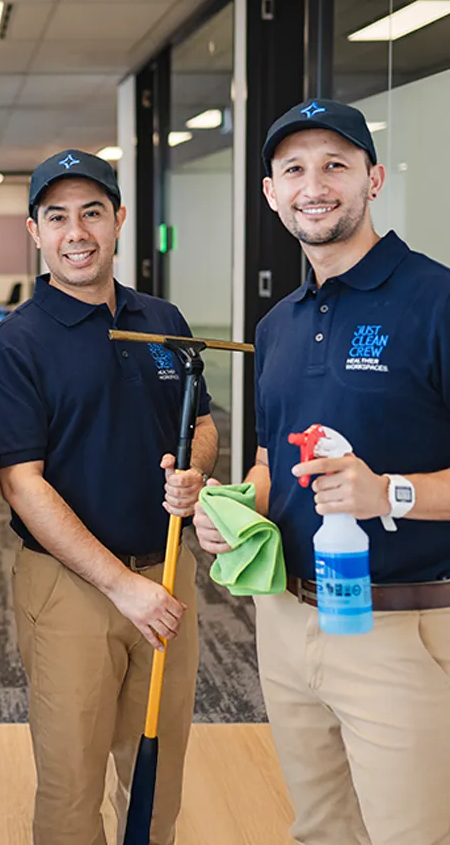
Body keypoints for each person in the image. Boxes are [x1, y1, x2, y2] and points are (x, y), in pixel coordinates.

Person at [193, 99, 450, 845]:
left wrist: (388, 493)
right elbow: (277, 458)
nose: (315, 184)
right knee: (322, 831)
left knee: (412, 835)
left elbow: (381, 488)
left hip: (401, 625)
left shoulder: (435, 301)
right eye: (294, 169)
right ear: (271, 193)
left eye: (335, 165)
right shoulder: (278, 325)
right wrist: (235, 507)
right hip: (287, 617)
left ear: (372, 180)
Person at [0, 150, 219, 845]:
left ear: (118, 221)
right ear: (35, 232)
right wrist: (121, 587)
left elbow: (199, 424)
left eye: (92, 212)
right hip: (71, 589)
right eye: (58, 217)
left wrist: (196, 471)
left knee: (156, 772)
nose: (76, 231)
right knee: (71, 784)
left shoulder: (163, 318)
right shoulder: (16, 342)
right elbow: (22, 483)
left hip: (169, 577)